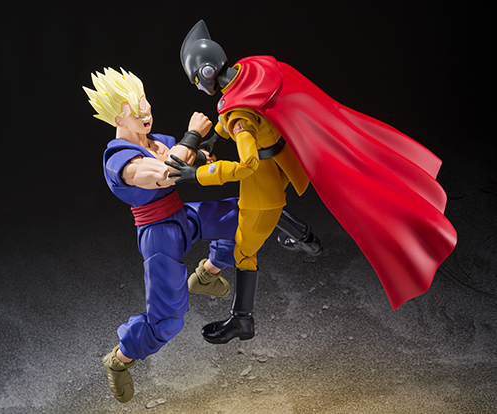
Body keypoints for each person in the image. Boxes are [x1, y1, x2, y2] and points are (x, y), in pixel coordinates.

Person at [168, 20, 457, 345]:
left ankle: (242, 320)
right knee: (266, 213)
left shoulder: (239, 117)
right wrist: (215, 139)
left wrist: (197, 175)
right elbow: (242, 111)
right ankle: (307, 239)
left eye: (197, 80)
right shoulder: (251, 72)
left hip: (261, 181)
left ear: (207, 73)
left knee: (244, 251)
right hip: (282, 164)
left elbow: (246, 159)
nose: (198, 87)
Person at [83, 67, 239, 403]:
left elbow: (188, 162)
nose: (145, 113)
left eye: (145, 104)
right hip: (158, 235)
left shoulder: (159, 141)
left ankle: (207, 274)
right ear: (117, 118)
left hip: (183, 216)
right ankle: (120, 359)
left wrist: (202, 153)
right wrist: (192, 136)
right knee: (167, 321)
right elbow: (166, 173)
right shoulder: (118, 159)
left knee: (242, 216)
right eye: (134, 111)